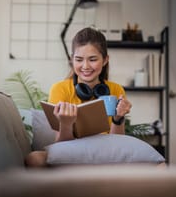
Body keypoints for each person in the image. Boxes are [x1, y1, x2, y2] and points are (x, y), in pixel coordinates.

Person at [25, 27, 132, 167]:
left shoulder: (116, 89)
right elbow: (60, 148)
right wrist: (66, 124)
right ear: (72, 60)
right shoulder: (60, 89)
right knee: (34, 159)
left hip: (105, 151)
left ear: (105, 60)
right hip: (72, 152)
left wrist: (118, 119)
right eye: (79, 59)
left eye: (93, 59)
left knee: (159, 165)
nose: (85, 66)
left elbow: (117, 144)